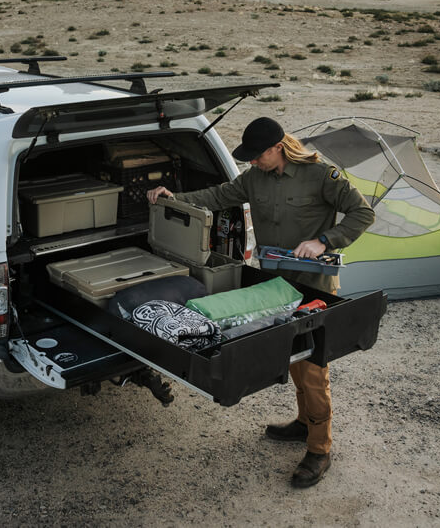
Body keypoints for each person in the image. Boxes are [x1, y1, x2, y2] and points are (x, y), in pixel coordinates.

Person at [146, 116, 375, 488]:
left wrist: (325, 241)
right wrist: (177, 198)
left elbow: (364, 213)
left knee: (314, 364)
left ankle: (320, 449)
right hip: (274, 282)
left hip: (313, 286)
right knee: (292, 356)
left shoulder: (321, 176)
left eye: (257, 155)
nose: (252, 162)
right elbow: (220, 196)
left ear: (277, 148)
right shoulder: (255, 178)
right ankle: (303, 424)